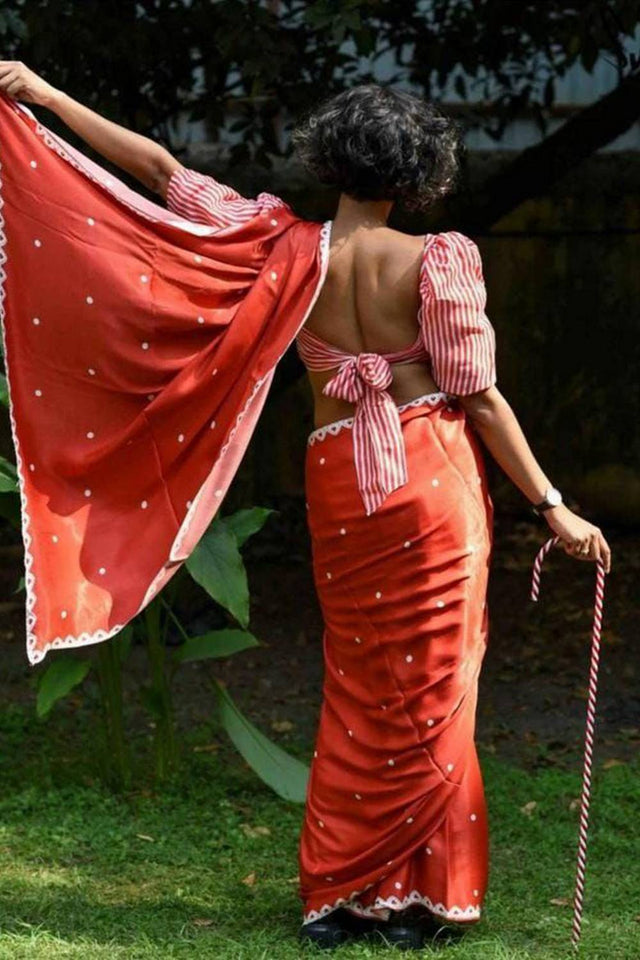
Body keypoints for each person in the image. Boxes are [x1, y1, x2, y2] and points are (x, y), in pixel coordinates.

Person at [0, 64, 611, 951]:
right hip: (429, 480)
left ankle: (344, 896)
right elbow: (478, 398)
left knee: (362, 683)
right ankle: (422, 902)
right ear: (417, 176)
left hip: (339, 480)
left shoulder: (277, 244)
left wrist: (45, 99)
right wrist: (552, 504)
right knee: (436, 689)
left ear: (333, 164)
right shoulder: (440, 259)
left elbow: (163, 172)